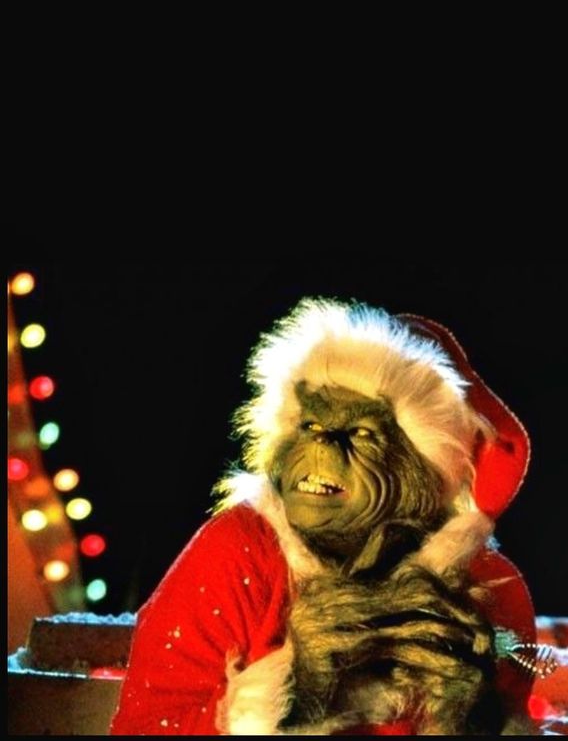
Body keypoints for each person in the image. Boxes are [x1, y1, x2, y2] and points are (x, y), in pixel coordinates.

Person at [109, 298, 540, 735]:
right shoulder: (238, 552)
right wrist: (296, 691)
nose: (322, 447)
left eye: (361, 433)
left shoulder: (489, 588)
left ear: (425, 470)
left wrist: (468, 716)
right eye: (310, 425)